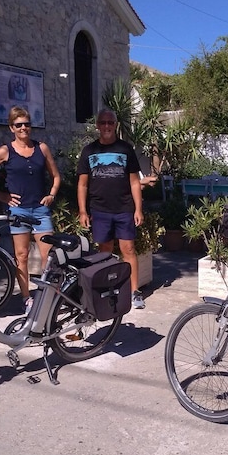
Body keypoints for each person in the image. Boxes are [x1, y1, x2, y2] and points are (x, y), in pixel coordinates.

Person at [0, 106, 61, 314]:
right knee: (22, 256)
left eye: (26, 124)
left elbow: (56, 176)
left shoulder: (41, 148)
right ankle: (27, 299)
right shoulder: (6, 151)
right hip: (19, 212)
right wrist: (1, 196)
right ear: (11, 128)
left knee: (49, 256)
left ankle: (48, 296)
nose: (23, 128)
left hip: (40, 210)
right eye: (19, 125)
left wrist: (52, 194)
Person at [77, 108, 146, 309]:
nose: (107, 126)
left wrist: (138, 209)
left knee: (129, 250)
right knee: (104, 252)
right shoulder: (89, 151)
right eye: (103, 122)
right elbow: (82, 184)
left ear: (115, 125)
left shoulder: (125, 149)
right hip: (99, 210)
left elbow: (135, 182)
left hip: (124, 209)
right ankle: (109, 289)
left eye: (111, 123)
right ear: (97, 125)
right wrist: (82, 211)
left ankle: (135, 292)